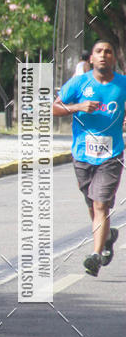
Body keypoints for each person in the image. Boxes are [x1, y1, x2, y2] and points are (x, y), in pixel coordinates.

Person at [53, 38, 126, 276]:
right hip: (82, 155)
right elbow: (53, 108)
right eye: (99, 51)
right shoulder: (78, 83)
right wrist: (78, 107)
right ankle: (106, 238)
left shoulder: (122, 84)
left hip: (111, 154)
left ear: (114, 58)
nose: (103, 55)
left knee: (100, 204)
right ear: (91, 58)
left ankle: (95, 255)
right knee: (92, 205)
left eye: (108, 52)